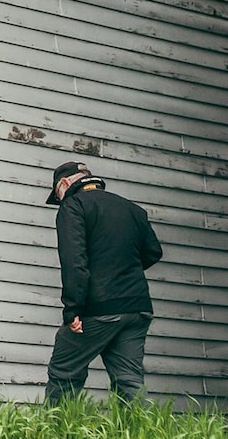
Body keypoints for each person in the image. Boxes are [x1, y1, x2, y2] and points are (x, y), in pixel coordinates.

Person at [44, 160, 163, 403]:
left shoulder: (73, 205)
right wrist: (120, 271)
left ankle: (55, 430)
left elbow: (74, 261)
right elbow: (153, 252)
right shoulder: (133, 209)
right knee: (130, 381)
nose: (60, 199)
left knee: (64, 372)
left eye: (58, 193)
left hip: (98, 309)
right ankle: (143, 431)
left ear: (65, 184)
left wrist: (73, 310)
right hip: (137, 308)